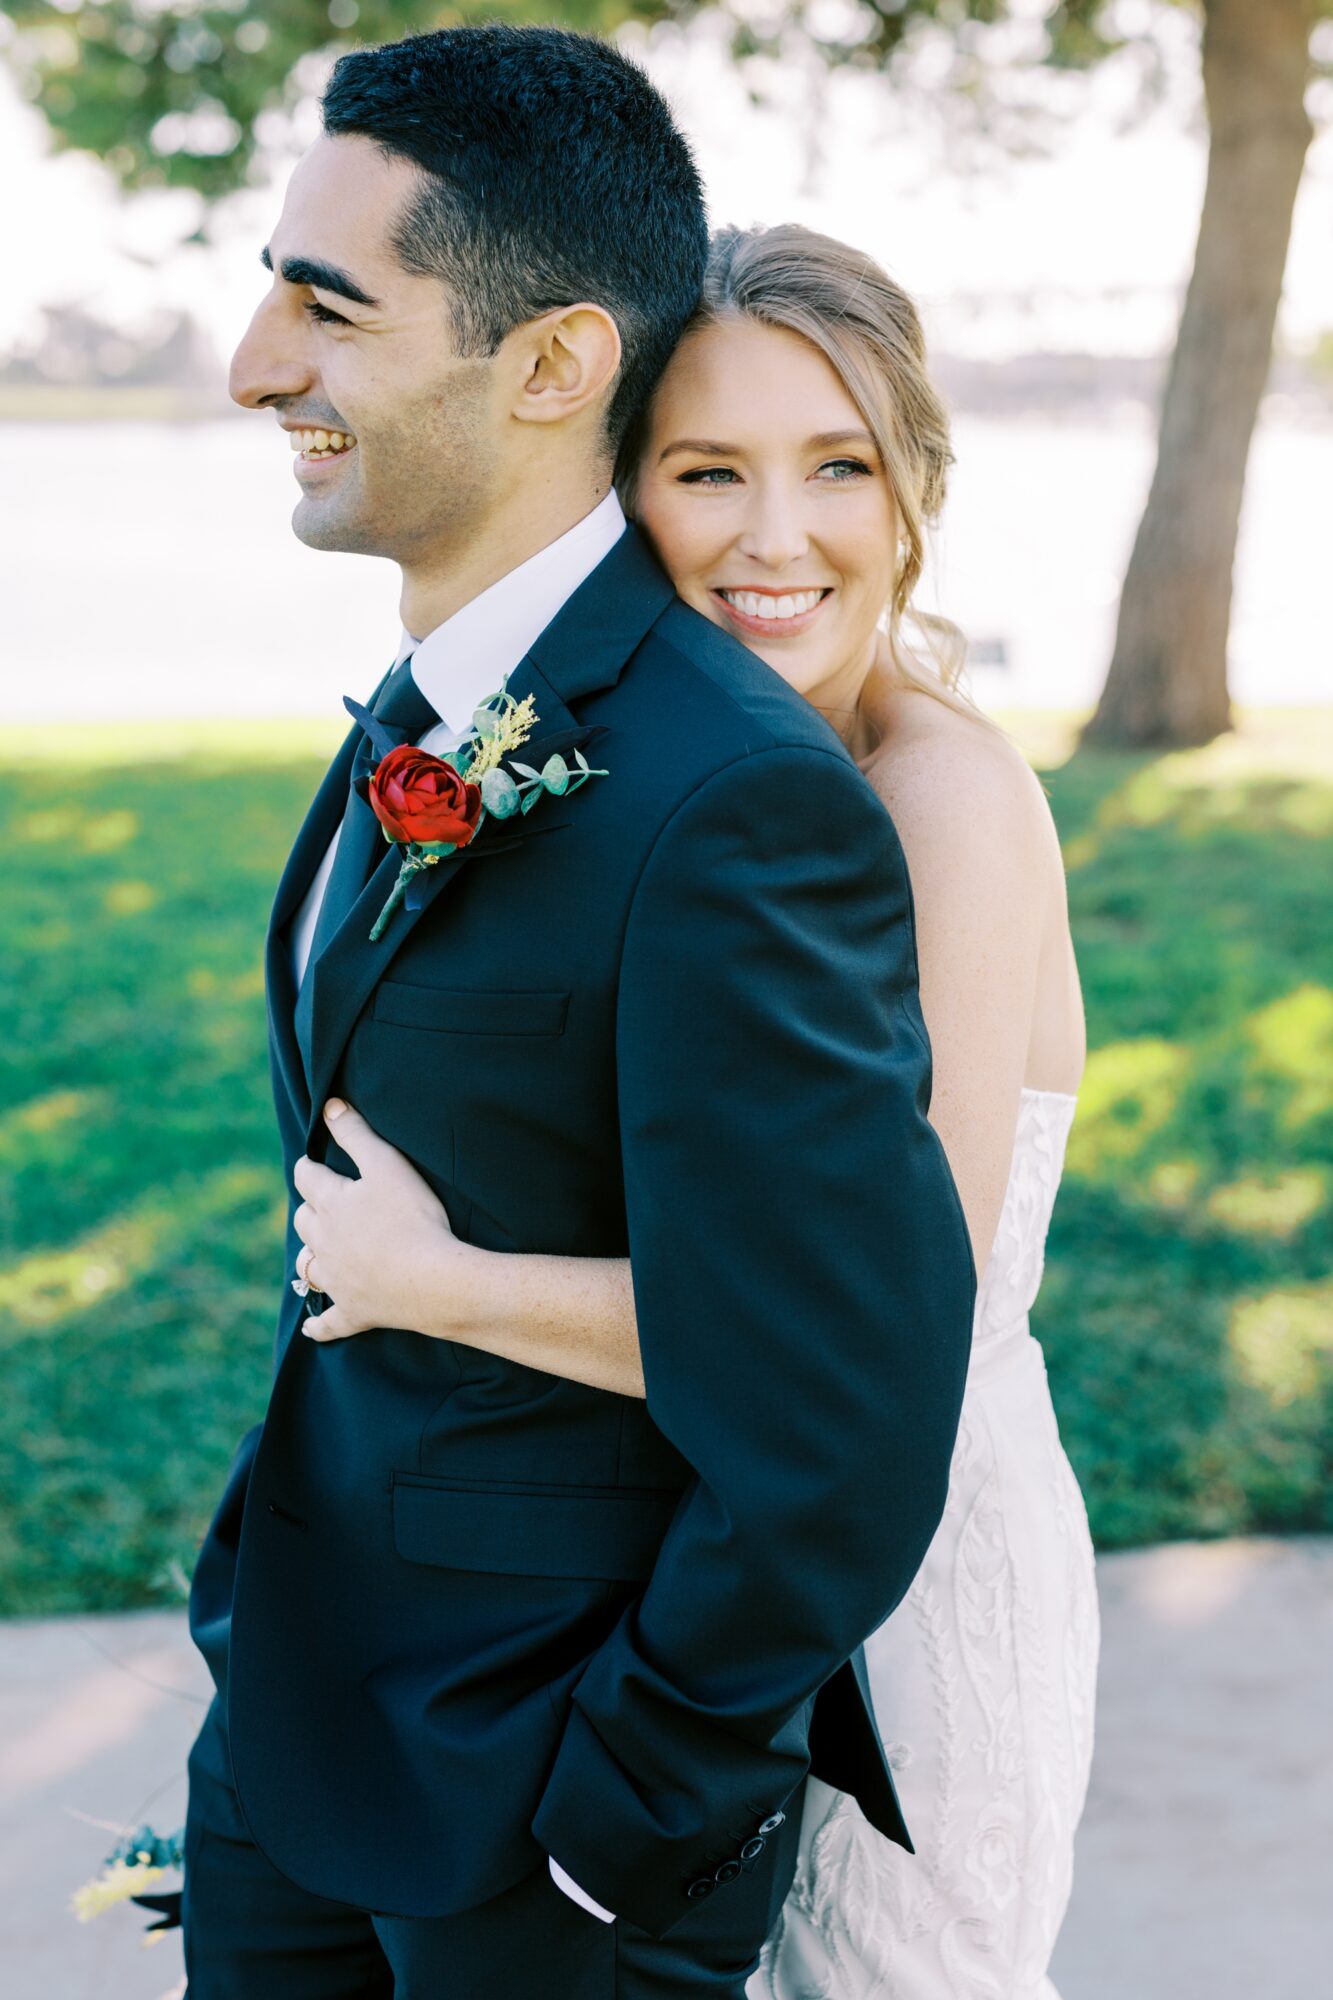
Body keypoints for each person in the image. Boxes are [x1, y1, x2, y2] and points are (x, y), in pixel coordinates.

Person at [183, 28, 975, 2000]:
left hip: (545, 1832)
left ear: (547, 365)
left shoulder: (734, 794)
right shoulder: (428, 702)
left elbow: (839, 1410)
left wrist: (631, 1822)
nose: (255, 362)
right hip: (298, 1747)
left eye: (327, 305)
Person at [298, 222, 1101, 1998]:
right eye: (705, 470)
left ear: (910, 500)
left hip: (894, 1594)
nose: (773, 536)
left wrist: (438, 1279)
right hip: (678, 1577)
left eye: (839, 469)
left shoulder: (936, 805)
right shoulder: (691, 779)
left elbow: (880, 1345)